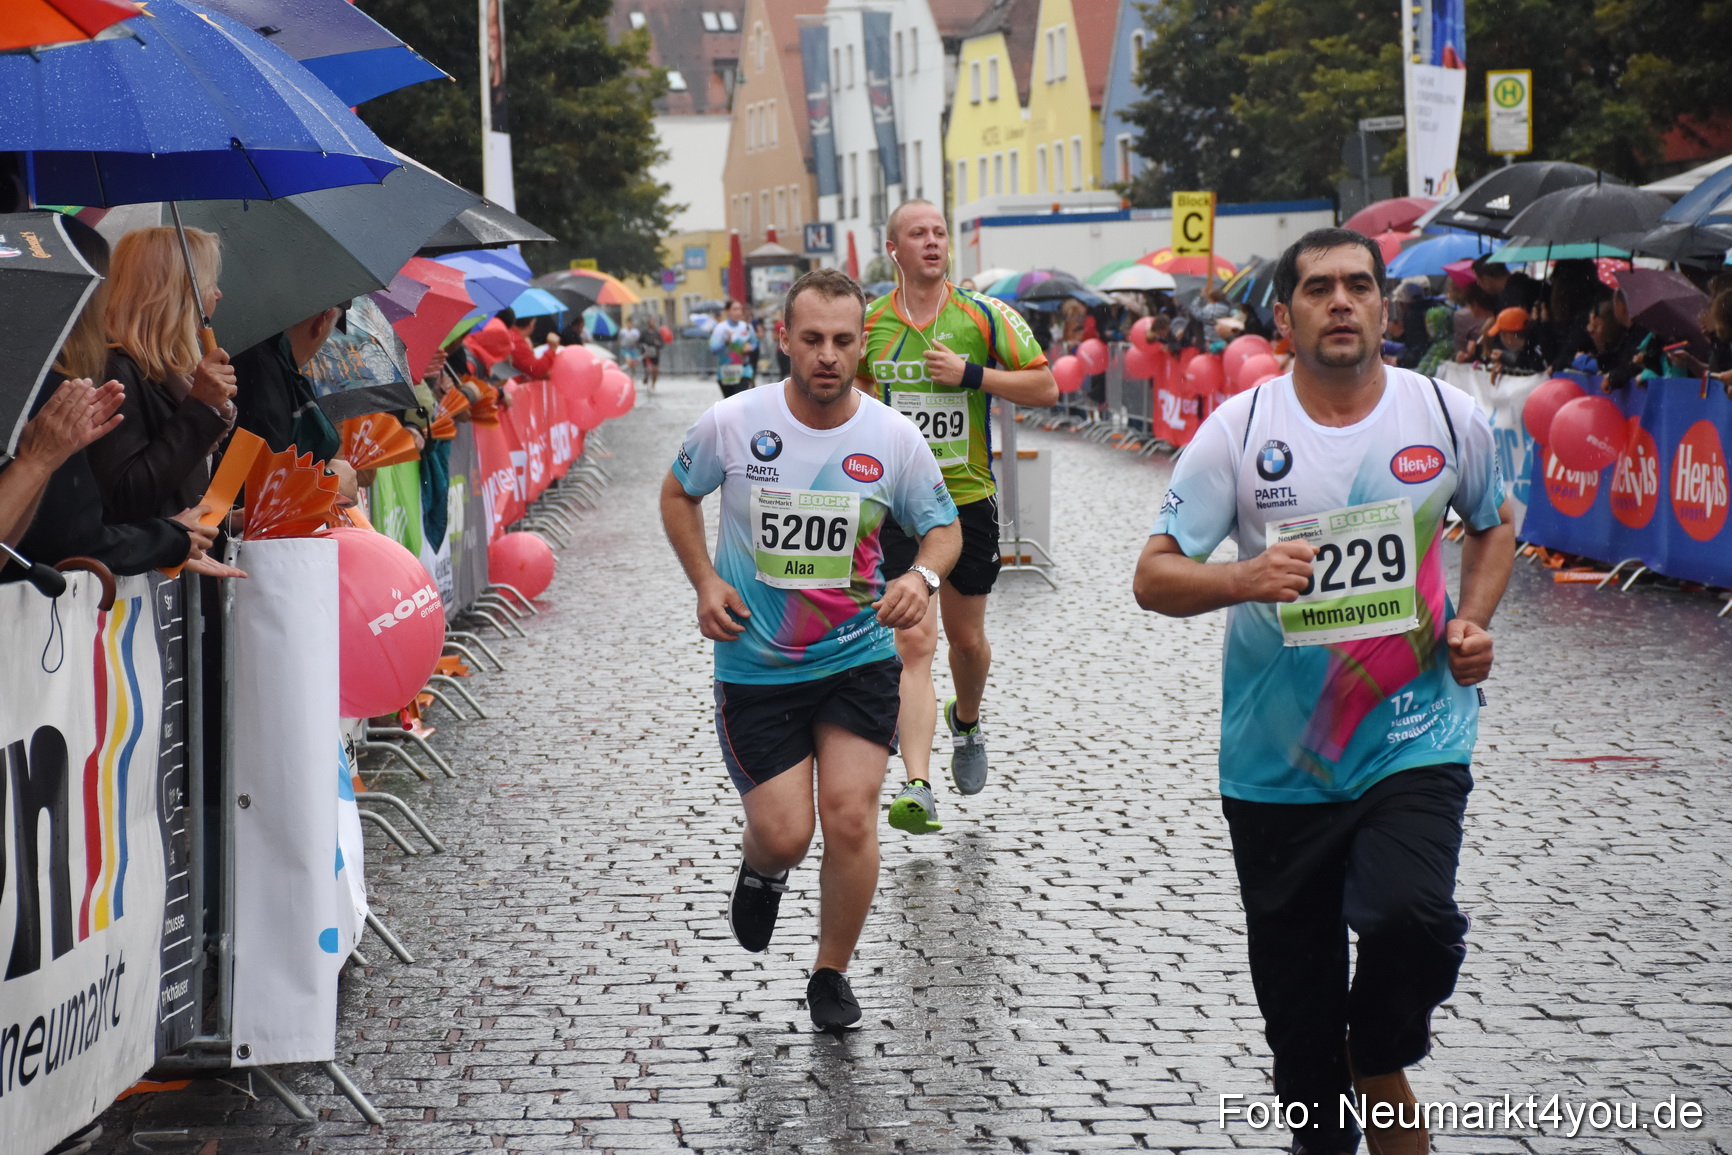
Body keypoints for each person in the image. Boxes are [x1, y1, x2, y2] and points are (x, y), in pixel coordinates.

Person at [1134, 227, 1515, 1155]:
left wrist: (1471, 619)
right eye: (1318, 288)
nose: (1340, 301)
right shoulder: (1241, 430)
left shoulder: (1442, 414)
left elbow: (1495, 522)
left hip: (1413, 734)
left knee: (1410, 917)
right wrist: (1243, 577)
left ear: (1386, 306)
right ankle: (1336, 1077)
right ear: (1284, 313)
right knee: (1307, 1068)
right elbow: (1153, 575)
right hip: (1277, 767)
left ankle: (1378, 1048)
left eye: (1358, 286)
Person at [660, 268, 961, 1030]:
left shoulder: (893, 437)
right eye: (813, 339)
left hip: (855, 657)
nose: (828, 355)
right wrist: (703, 581)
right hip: (756, 663)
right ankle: (762, 870)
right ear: (783, 339)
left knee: (853, 818)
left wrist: (921, 578)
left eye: (843, 340)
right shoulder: (732, 423)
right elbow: (676, 493)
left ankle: (831, 972)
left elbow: (944, 529)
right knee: (788, 833)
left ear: (863, 343)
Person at [858, 199, 1058, 834]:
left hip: (966, 498)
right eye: (918, 234)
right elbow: (848, 393)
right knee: (913, 642)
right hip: (896, 503)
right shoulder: (871, 323)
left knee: (965, 642)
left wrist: (972, 374)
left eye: (940, 232)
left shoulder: (985, 316)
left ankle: (965, 721)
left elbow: (1047, 387)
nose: (933, 242)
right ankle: (917, 784)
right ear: (894, 248)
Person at [85, 226, 237, 522]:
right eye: (209, 283)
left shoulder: (172, 376)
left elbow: (172, 490)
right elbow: (126, 497)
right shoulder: (115, 372)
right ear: (176, 292)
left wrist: (224, 517)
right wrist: (201, 407)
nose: (218, 294)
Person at [709, 299, 757, 397]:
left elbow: (755, 343)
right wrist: (726, 342)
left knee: (741, 400)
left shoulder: (746, 327)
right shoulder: (721, 328)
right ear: (727, 311)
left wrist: (750, 347)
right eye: (735, 309)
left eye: (740, 309)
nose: (738, 312)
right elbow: (713, 349)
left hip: (744, 370)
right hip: (726, 371)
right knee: (729, 403)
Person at [639, 320, 664, 390]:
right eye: (651, 322)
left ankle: (653, 384)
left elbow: (662, 343)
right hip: (646, 354)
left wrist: (658, 344)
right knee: (648, 369)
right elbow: (639, 342)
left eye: (654, 322)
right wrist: (643, 347)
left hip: (655, 354)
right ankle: (646, 378)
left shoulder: (657, 333)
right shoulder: (644, 333)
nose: (653, 323)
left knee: (655, 370)